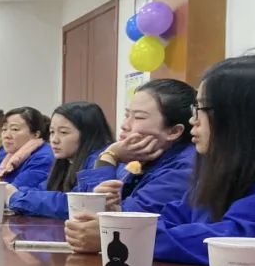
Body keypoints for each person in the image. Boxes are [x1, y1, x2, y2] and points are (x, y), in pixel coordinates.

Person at [68, 54, 255, 264]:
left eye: (201, 109)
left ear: (243, 118)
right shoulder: (218, 173)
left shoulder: (188, 166)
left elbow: (232, 241)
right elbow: (172, 217)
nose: (193, 120)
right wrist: (121, 220)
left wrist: (122, 234)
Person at [74, 79, 197, 214]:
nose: (125, 125)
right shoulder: (138, 158)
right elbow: (83, 207)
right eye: (127, 115)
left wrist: (109, 157)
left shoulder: (184, 168)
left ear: (174, 131)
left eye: (139, 117)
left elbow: (115, 219)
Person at [7, 101, 113, 219]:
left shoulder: (101, 161)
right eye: (52, 132)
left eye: (63, 132)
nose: (54, 140)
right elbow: (44, 189)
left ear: (88, 134)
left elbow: (77, 204)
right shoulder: (67, 160)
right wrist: (16, 192)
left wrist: (17, 197)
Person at [0, 106, 54, 192]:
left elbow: (15, 191)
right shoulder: (9, 155)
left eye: (14, 129)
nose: (6, 135)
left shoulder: (43, 157)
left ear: (36, 134)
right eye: (4, 129)